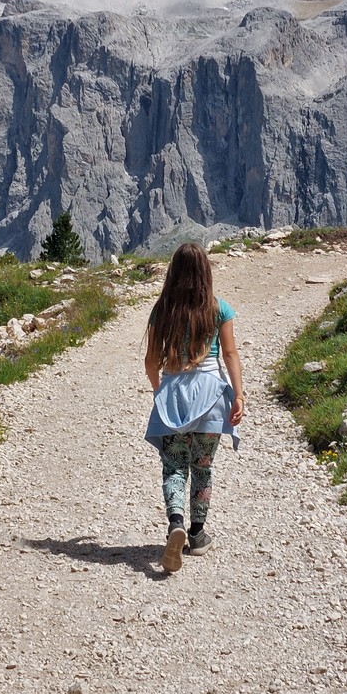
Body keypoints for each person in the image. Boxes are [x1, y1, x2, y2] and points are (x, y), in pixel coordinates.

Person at [144, 242, 245, 573]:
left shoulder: (162, 311)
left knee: (174, 466)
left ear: (173, 272)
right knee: (202, 467)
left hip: (173, 392)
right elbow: (229, 354)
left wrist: (162, 392)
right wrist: (239, 395)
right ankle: (197, 535)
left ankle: (176, 521)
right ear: (206, 272)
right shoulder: (220, 309)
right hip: (211, 397)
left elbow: (150, 361)